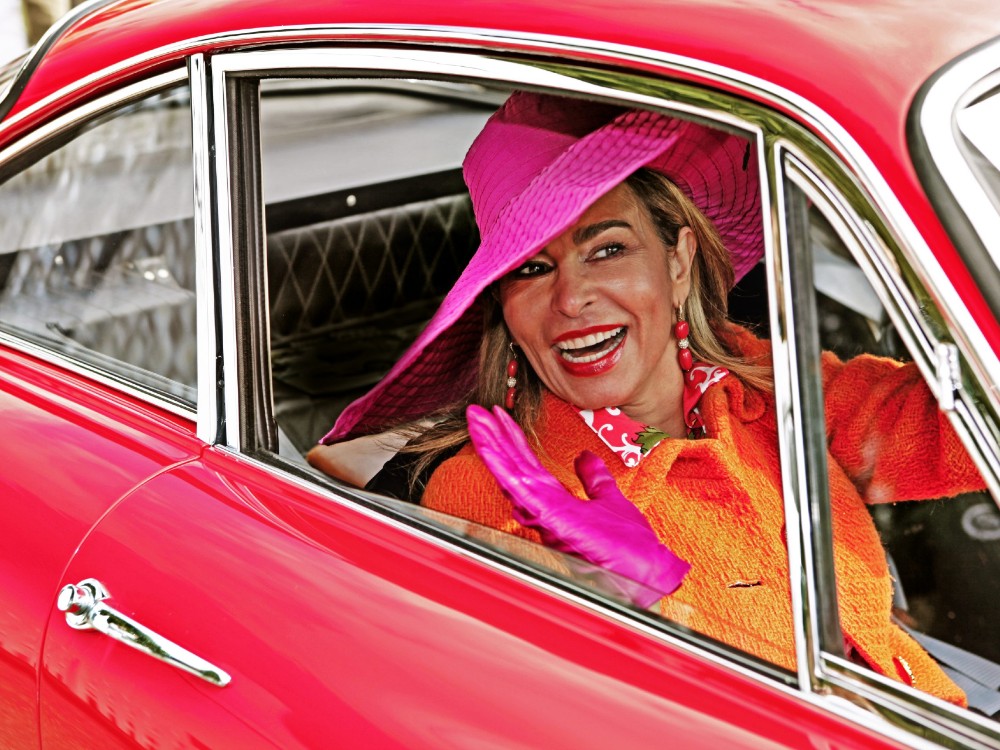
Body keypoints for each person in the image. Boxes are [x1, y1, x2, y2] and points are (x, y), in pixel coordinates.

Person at [308, 91, 985, 707]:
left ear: (678, 262)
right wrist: (648, 596)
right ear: (504, 309)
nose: (571, 299)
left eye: (607, 250)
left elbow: (961, 425)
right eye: (532, 269)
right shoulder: (493, 493)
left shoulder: (758, 385)